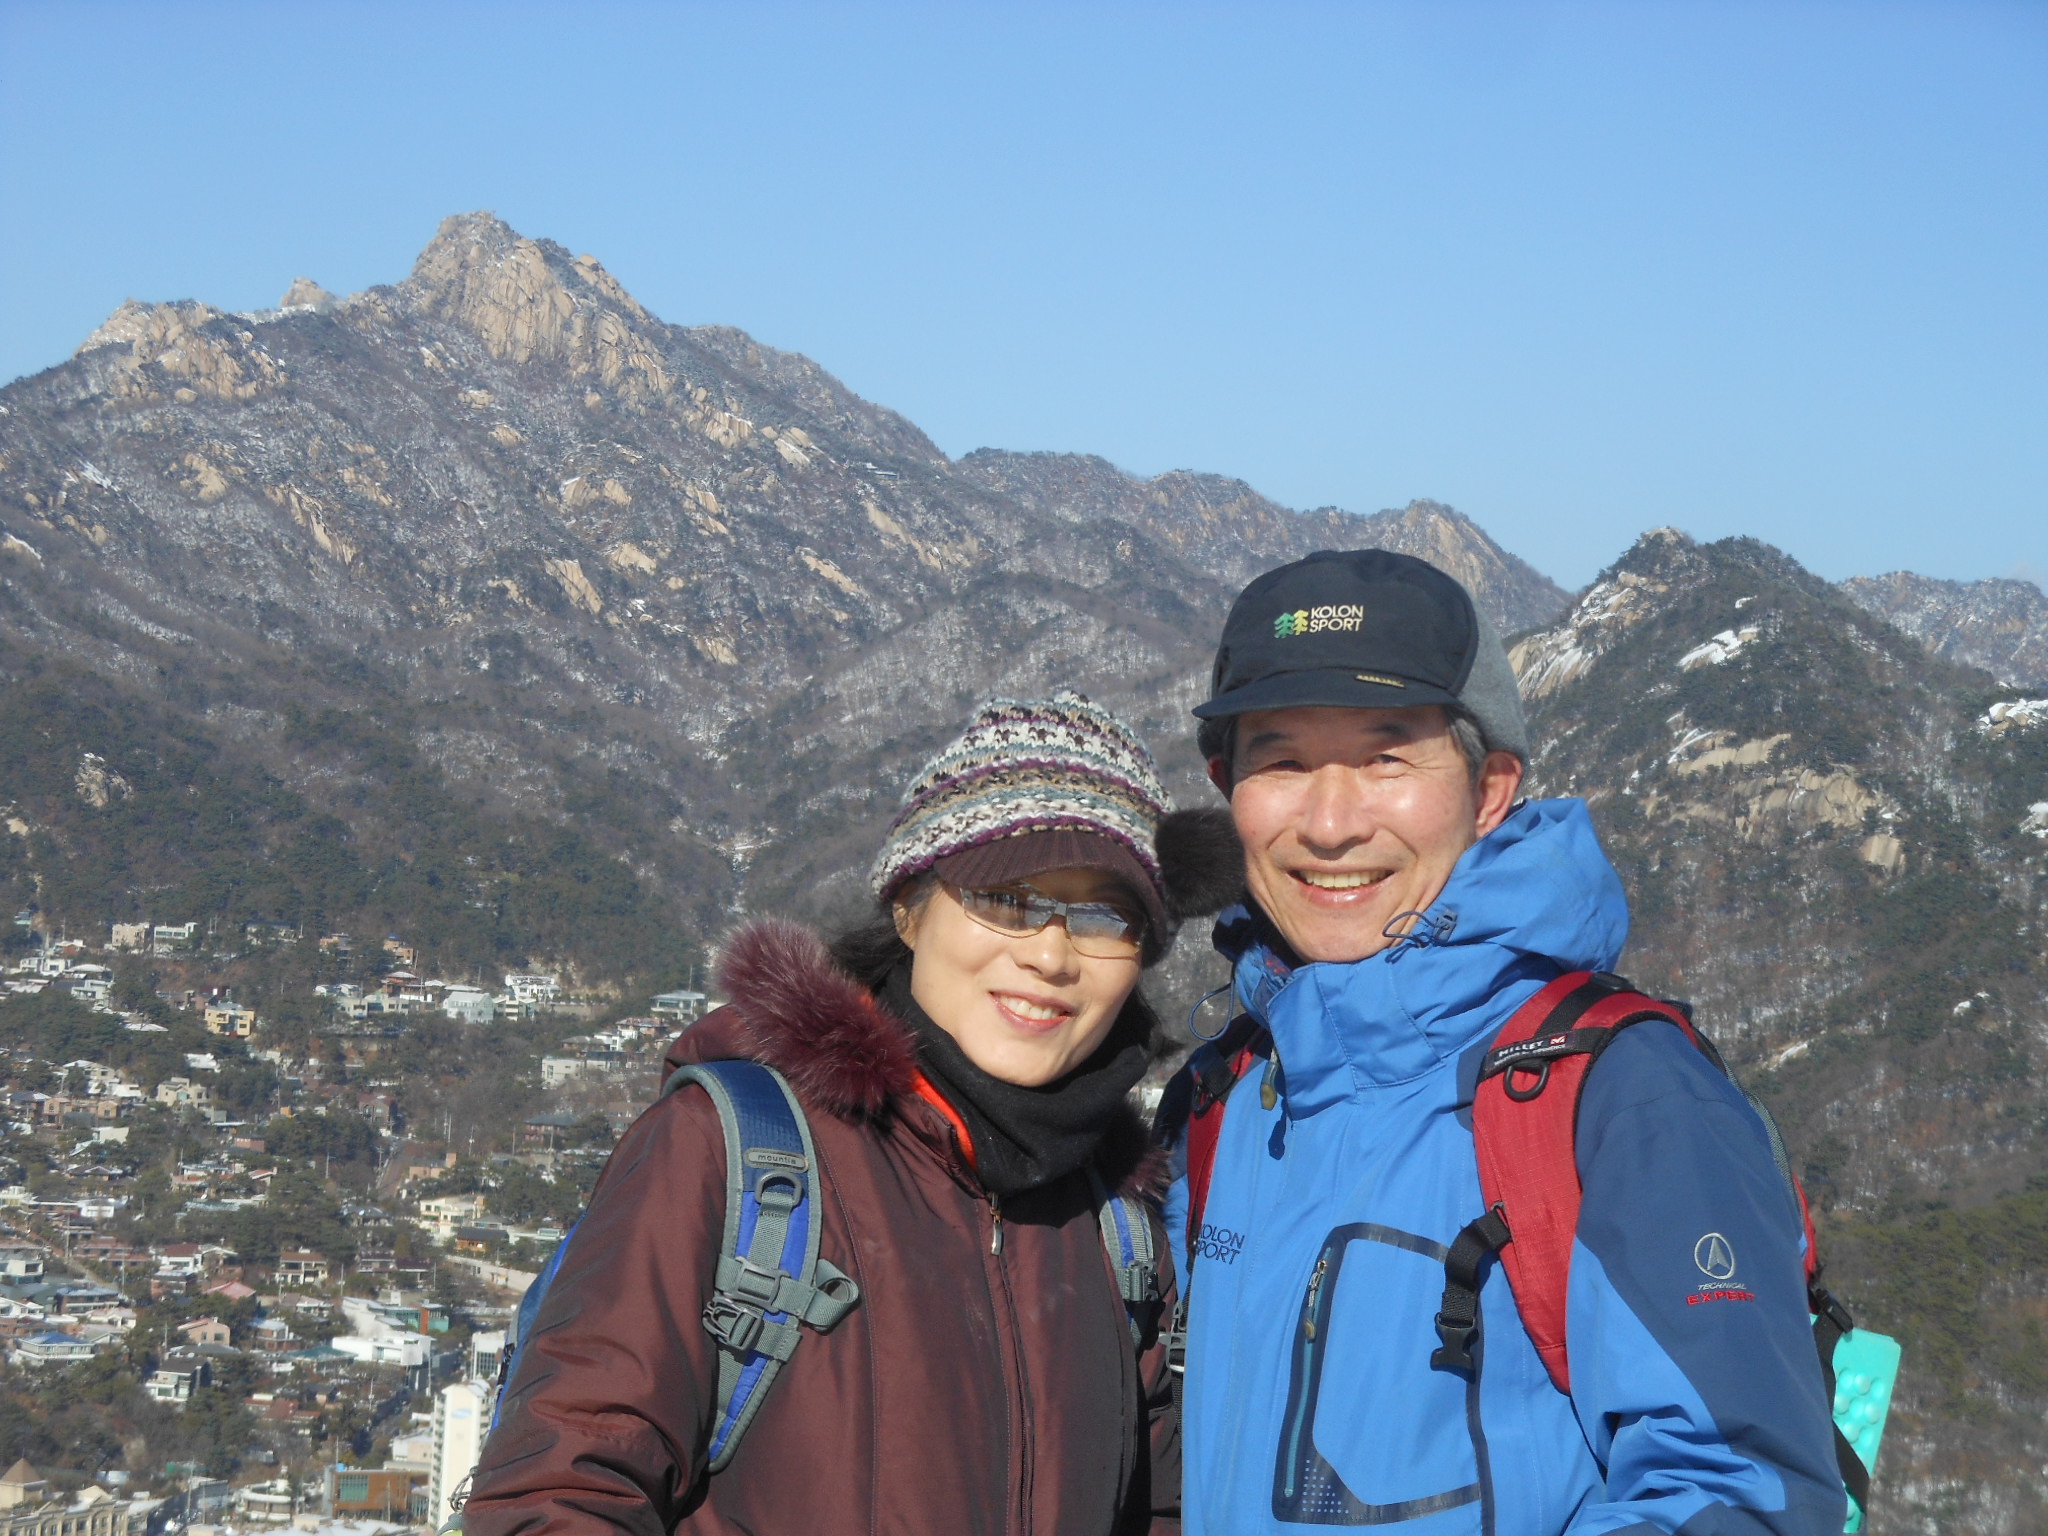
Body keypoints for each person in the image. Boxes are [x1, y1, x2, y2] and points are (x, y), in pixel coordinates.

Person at [1159, 550, 1845, 1535]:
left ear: (1488, 791)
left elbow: (1735, 1495)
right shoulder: (1225, 1097)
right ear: (1228, 793)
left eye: (1386, 758)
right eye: (1282, 762)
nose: (1330, 822)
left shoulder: (1614, 1096)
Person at [463, 691, 1188, 1536]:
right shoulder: (733, 1158)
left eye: (1105, 915)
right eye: (1006, 899)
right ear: (908, 907)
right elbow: (561, 1494)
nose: (1052, 954)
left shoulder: (1118, 1235)